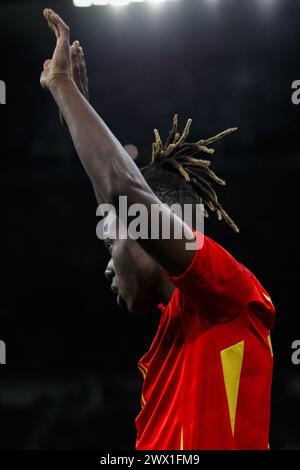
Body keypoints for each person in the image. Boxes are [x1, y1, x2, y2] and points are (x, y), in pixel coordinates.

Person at [40, 8, 275, 450]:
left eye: (110, 245)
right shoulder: (165, 356)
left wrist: (64, 89)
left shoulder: (226, 297)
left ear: (151, 230)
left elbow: (122, 194)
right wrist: (77, 114)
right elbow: (118, 201)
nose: (107, 268)